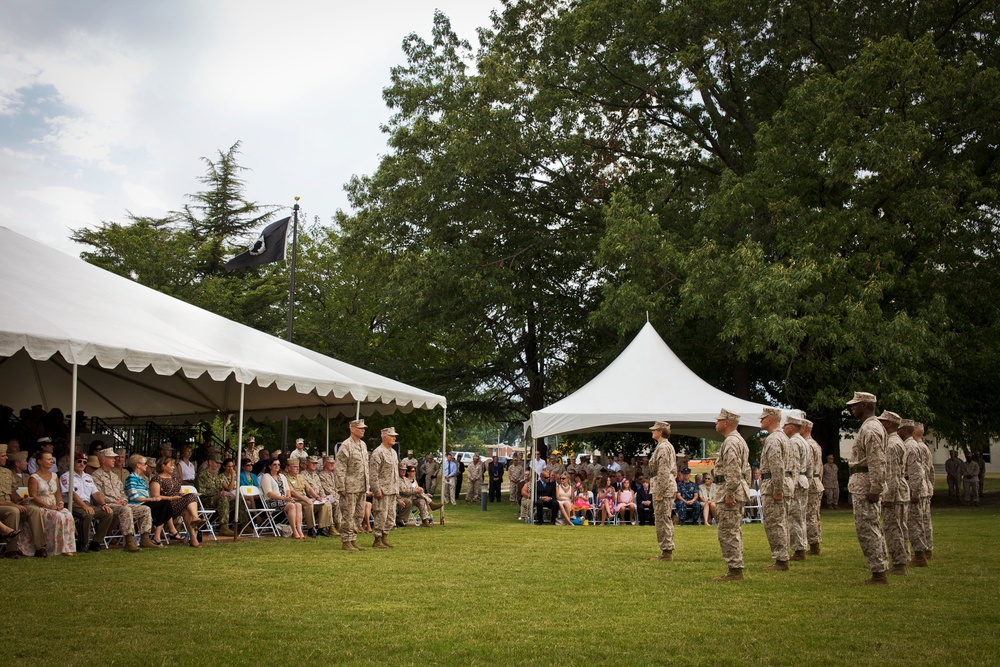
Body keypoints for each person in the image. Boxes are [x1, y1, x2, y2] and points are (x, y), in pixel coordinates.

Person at [846, 391, 890, 584]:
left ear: (864, 405)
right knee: (871, 527)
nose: (852, 408)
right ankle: (880, 569)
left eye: (855, 405)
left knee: (868, 529)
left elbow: (877, 461)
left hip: (866, 484)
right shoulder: (869, 427)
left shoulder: (871, 429)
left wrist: (875, 488)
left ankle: (878, 572)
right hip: (864, 483)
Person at [712, 408, 751, 581]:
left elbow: (733, 471)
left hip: (730, 492)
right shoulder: (738, 440)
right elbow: (746, 470)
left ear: (726, 422)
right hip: (737, 489)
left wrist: (730, 493)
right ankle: (735, 567)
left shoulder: (731, 442)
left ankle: (735, 570)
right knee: (733, 530)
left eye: (718, 420)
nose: (716, 423)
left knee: (728, 531)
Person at [92, 447, 153, 551]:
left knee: (145, 509)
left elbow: (122, 491)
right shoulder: (96, 475)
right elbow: (98, 495)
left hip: (121, 504)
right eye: (111, 458)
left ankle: (145, 538)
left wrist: (124, 500)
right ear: (103, 460)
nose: (114, 460)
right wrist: (115, 502)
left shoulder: (114, 476)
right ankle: (129, 541)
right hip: (106, 505)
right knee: (126, 510)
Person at [61, 452, 114, 552]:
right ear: (73, 462)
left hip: (87, 504)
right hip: (72, 505)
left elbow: (96, 493)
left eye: (85, 462)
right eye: (79, 461)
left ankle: (96, 542)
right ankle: (82, 543)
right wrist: (84, 506)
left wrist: (104, 504)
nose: (82, 464)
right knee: (87, 515)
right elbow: (71, 494)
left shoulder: (88, 477)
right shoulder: (66, 476)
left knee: (108, 513)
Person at [878, 411, 910, 575]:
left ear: (889, 424)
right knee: (901, 527)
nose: (880, 425)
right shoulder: (897, 441)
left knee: (892, 528)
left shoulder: (891, 444)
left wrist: (888, 496)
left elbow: (892, 473)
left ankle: (899, 564)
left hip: (895, 492)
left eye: (882, 422)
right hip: (901, 490)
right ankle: (904, 559)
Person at [759, 406, 790, 571]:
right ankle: (782, 557)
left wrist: (777, 490)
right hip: (777, 484)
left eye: (763, 418)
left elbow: (777, 466)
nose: (760, 421)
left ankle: (781, 560)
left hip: (773, 485)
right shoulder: (782, 437)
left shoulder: (774, 439)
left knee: (774, 523)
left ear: (770, 419)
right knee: (780, 522)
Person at [27, 451, 76, 557]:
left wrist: (60, 503)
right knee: (58, 516)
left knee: (68, 515)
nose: (52, 461)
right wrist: (48, 506)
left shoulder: (54, 476)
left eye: (51, 459)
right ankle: (54, 548)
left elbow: (58, 493)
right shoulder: (34, 478)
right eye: (48, 459)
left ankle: (67, 547)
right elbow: (33, 496)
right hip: (41, 507)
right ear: (40, 461)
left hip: (54, 505)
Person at [0, 444, 44, 558]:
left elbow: (12, 492)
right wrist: (13, 504)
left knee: (34, 510)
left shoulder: (7, 472)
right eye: (3, 455)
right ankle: (11, 550)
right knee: (13, 511)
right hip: (4, 506)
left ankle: (40, 547)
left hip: (10, 504)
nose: (6, 458)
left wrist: (20, 500)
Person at [150, 458, 206, 547]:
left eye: (173, 465)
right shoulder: (156, 479)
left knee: (188, 508)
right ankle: (195, 519)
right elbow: (156, 496)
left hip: (176, 503)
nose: (173, 467)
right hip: (164, 506)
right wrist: (171, 498)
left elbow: (180, 491)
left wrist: (182, 495)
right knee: (188, 500)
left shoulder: (175, 478)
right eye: (171, 465)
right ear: (163, 466)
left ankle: (193, 538)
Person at [335, 419, 370, 552]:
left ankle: (353, 539)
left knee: (359, 514)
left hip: (361, 486)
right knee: (348, 514)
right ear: (352, 429)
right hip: (349, 487)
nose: (363, 430)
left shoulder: (363, 445)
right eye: (360, 428)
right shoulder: (346, 445)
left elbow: (365, 466)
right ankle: (346, 541)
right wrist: (341, 487)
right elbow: (340, 468)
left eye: (363, 428)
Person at [125, 455, 173, 545]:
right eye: (145, 464)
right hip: (138, 504)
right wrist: (152, 499)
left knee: (165, 505)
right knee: (164, 504)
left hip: (145, 502)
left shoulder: (141, 479)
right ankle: (163, 531)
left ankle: (158, 533)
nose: (146, 466)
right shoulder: (131, 478)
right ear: (138, 465)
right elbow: (134, 497)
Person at [648, 420, 677, 560]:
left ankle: (667, 551)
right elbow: (674, 471)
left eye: (654, 430)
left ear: (660, 431)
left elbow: (664, 471)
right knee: (664, 518)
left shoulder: (663, 447)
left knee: (662, 519)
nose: (652, 432)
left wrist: (660, 491)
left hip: (663, 488)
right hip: (665, 486)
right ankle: (666, 550)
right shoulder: (665, 446)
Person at [285, 458, 332, 538]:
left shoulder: (300, 477)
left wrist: (317, 497)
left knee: (325, 504)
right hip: (296, 500)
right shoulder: (286, 478)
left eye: (298, 466)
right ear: (289, 468)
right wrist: (306, 499)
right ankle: (311, 528)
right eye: (295, 467)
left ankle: (321, 528)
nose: (297, 468)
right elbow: (292, 492)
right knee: (308, 504)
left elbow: (309, 488)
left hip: (306, 498)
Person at [370, 427, 401, 548]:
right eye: (391, 435)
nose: (394, 437)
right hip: (382, 491)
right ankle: (377, 539)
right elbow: (373, 474)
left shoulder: (393, 452)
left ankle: (384, 537)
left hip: (392, 490)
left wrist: (397, 490)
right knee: (381, 515)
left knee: (391, 515)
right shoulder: (378, 452)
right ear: (384, 437)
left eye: (394, 435)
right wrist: (376, 490)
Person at [784, 415, 810, 561]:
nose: (783, 427)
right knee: (801, 516)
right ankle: (801, 547)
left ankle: (799, 549)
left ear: (792, 427)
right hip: (803, 479)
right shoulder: (803, 441)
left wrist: (791, 487)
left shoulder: (793, 442)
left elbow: (794, 466)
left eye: (785, 425)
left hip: (797, 481)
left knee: (794, 517)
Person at [260, 459, 306, 539]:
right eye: (275, 464)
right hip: (271, 501)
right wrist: (283, 498)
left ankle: (299, 530)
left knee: (298, 505)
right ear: (270, 466)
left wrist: (288, 497)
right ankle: (294, 531)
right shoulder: (266, 476)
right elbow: (269, 493)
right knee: (291, 506)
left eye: (278, 464)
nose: (277, 466)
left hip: (284, 500)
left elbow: (287, 489)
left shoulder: (282, 476)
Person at [911, 422, 934, 563]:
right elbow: (931, 470)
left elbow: (918, 471)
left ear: (914, 432)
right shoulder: (925, 447)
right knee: (926, 521)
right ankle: (928, 549)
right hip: (926, 486)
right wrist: (931, 486)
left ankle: (921, 552)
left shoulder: (916, 447)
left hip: (919, 487)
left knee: (918, 521)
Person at [197, 456, 235, 537]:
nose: (218, 465)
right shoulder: (202, 475)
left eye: (219, 464)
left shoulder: (217, 476)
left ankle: (244, 525)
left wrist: (223, 492)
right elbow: (201, 492)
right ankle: (223, 527)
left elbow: (226, 488)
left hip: (217, 499)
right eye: (216, 463)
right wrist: (218, 493)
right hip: (206, 500)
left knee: (238, 500)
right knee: (223, 498)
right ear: (210, 462)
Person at [802, 420, 825, 555]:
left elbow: (808, 467)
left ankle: (814, 545)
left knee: (810, 515)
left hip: (811, 483)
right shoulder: (815, 444)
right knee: (813, 515)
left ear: (804, 428)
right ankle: (813, 544)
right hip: (816, 481)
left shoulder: (808, 445)